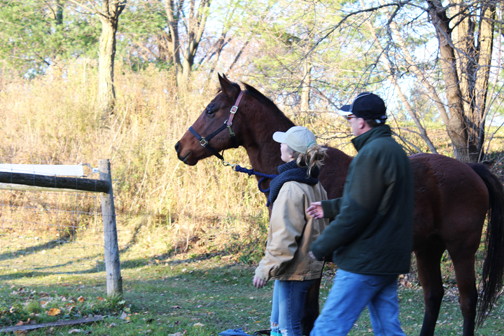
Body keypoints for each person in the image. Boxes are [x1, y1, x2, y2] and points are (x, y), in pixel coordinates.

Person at [307, 92, 414, 336]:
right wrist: (330, 207)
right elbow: (376, 201)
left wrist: (321, 246)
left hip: (365, 260)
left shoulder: (371, 154)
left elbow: (357, 212)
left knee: (327, 328)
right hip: (387, 258)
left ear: (362, 122)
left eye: (351, 117)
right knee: (388, 330)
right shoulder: (394, 151)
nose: (350, 123)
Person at [253, 126, 329, 336]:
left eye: (284, 142)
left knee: (289, 329)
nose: (280, 145)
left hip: (294, 271)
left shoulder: (291, 188)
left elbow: (284, 237)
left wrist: (264, 269)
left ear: (292, 153)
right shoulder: (314, 183)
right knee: (277, 326)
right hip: (301, 269)